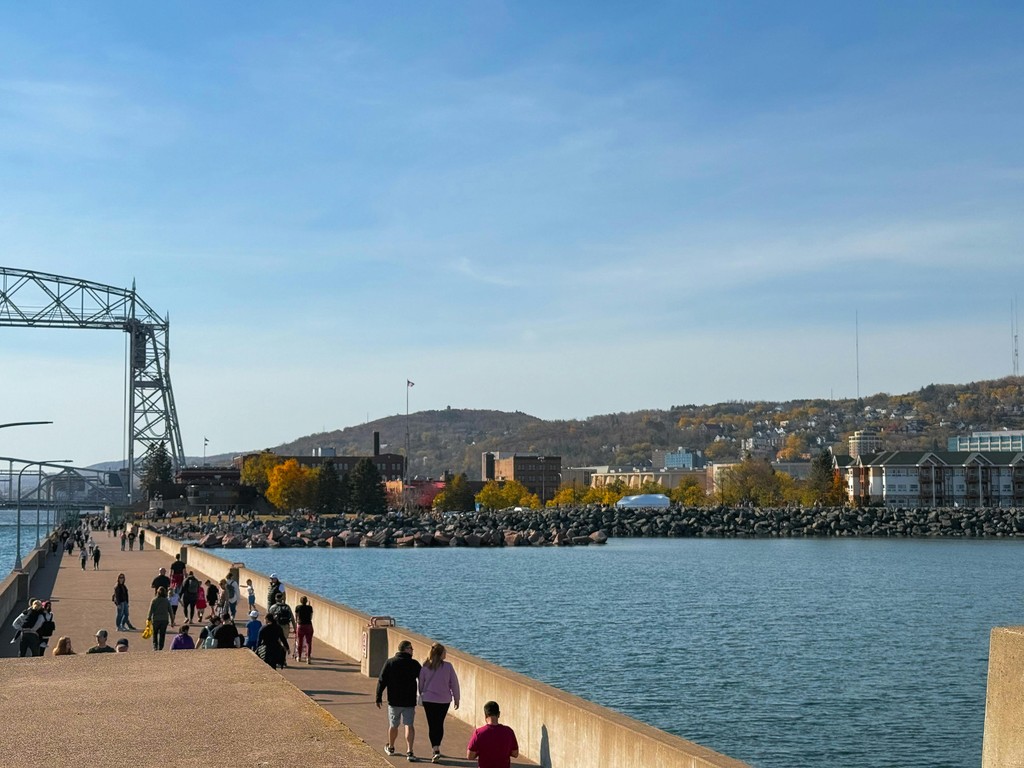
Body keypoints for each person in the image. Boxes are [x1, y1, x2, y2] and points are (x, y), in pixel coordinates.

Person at [376, 639, 422, 762]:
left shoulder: (390, 663)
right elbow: (423, 680)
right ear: (406, 649)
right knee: (409, 725)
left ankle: (391, 747)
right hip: (409, 701)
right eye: (411, 648)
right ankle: (410, 751)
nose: (412, 651)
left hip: (394, 700)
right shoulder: (414, 664)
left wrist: (378, 696)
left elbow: (382, 681)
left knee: (393, 725)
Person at [419, 643, 461, 763]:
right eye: (444, 652)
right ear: (441, 654)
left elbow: (421, 684)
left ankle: (435, 749)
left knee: (432, 724)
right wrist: (457, 698)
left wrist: (422, 693)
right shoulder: (448, 667)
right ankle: (437, 746)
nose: (446, 654)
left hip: (429, 700)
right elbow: (454, 684)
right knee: (439, 723)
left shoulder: (425, 667)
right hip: (444, 700)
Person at [467, 701, 518, 768]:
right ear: (499, 714)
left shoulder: (479, 733)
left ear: (485, 715)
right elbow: (515, 753)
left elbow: (470, 756)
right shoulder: (509, 732)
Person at [147, 586, 172, 651]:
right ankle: (161, 647)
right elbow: (170, 611)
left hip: (156, 620)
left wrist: (148, 618)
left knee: (155, 633)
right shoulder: (166, 601)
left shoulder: (154, 600)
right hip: (164, 620)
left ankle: (155, 647)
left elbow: (151, 610)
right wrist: (172, 621)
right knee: (162, 634)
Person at [294, 595, 314, 664]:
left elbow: (296, 617)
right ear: (306, 601)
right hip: (308, 625)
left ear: (300, 601)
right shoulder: (310, 607)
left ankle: (299, 657)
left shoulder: (298, 607)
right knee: (308, 642)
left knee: (300, 642)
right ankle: (308, 658)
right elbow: (311, 617)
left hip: (300, 625)